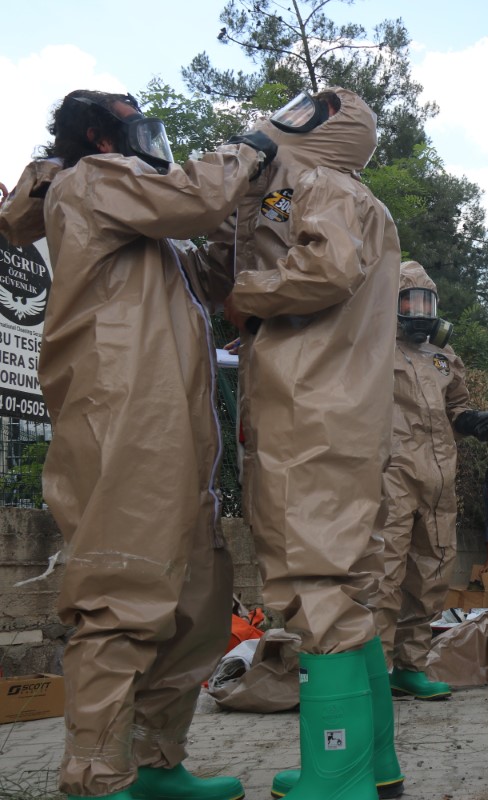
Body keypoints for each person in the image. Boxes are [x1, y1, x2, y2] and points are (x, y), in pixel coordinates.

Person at [0, 90, 274, 800]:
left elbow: (217, 272)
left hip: (175, 432)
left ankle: (156, 763)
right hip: (122, 414)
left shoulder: (151, 225)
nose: (146, 121)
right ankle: (95, 774)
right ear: (98, 134)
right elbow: (200, 196)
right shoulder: (92, 179)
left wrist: (260, 212)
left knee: (195, 599)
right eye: (130, 112)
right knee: (121, 591)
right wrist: (254, 146)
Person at [220, 88, 406, 800]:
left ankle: (338, 774)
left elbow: (325, 270)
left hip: (309, 414)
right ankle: (373, 764)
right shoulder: (362, 199)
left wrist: (248, 293)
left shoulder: (318, 183)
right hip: (340, 416)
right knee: (346, 591)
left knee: (314, 592)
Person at [379, 261, 488, 702]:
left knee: (432, 572)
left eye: (425, 302)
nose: (418, 311)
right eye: (408, 301)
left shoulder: (443, 356)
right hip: (389, 474)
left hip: (440, 480)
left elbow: (456, 406)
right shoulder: (370, 346)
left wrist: (473, 421)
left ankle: (410, 667)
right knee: (384, 573)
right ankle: (374, 670)